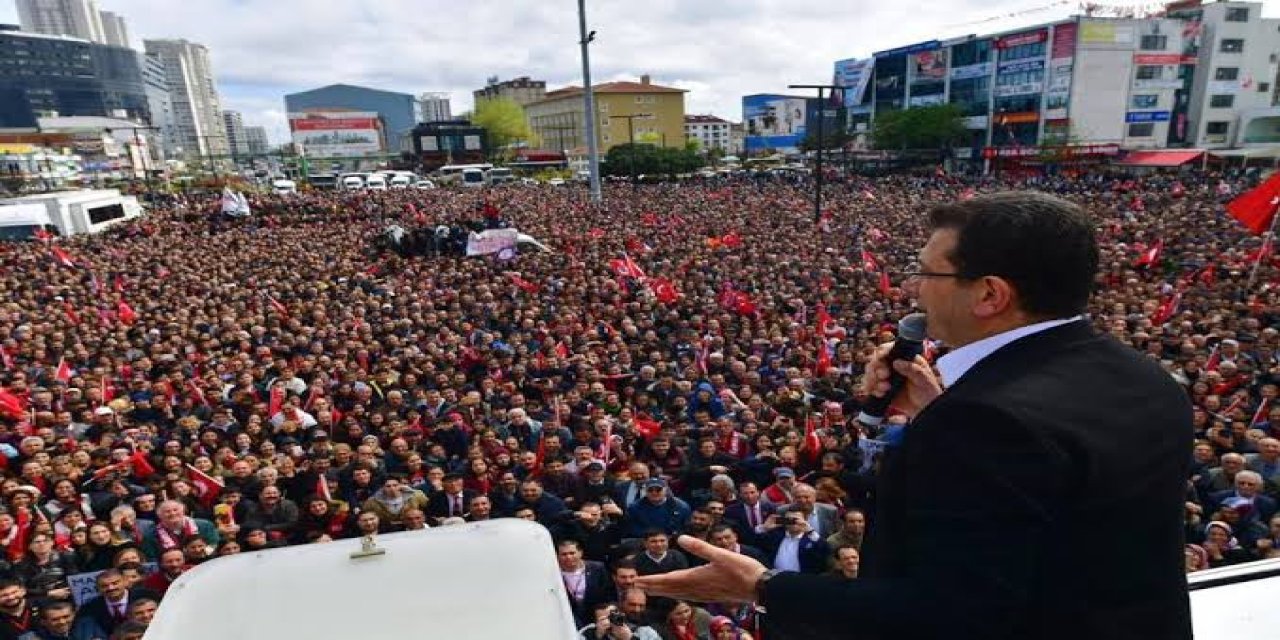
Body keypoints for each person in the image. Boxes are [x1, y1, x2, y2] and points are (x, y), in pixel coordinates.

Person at [637, 192, 1195, 639]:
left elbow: (946, 614)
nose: (913, 289)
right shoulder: (1145, 378)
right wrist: (941, 409)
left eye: (928, 273)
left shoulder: (985, 423)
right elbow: (1062, 521)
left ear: (989, 294)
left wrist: (762, 586)